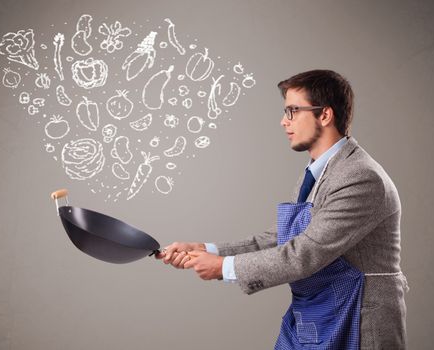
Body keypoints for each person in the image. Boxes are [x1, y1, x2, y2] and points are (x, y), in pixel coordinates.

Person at [156, 69, 408, 349]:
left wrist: (223, 267)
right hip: (317, 314)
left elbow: (305, 254)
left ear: (324, 115)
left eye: (292, 111)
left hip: (356, 321)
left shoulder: (359, 177)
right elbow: (282, 238)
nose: (283, 122)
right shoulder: (316, 172)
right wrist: (207, 249)